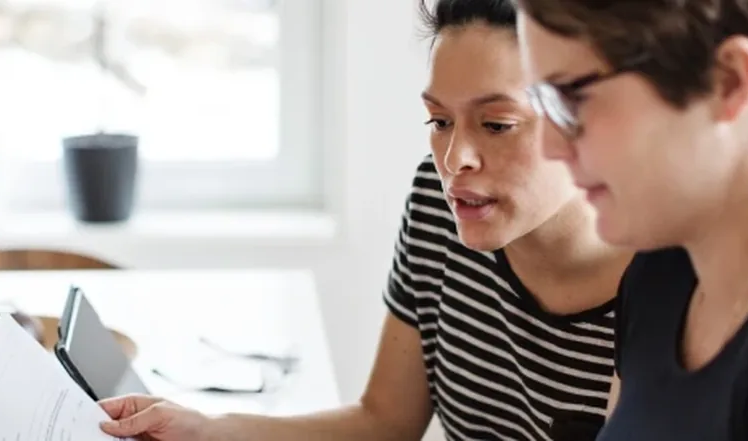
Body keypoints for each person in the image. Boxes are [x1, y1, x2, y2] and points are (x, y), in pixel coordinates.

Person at [95, 1, 633, 440]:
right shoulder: (439, 203)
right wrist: (206, 431)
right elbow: (384, 422)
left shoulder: (662, 279)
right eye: (439, 121)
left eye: (496, 125)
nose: (454, 160)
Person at [514, 0, 748, 439]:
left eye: (571, 96)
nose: (550, 145)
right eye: (543, 100)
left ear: (727, 80)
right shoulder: (662, 266)